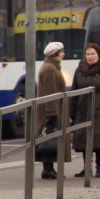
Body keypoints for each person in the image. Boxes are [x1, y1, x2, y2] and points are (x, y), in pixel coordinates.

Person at [69, 42, 100, 177]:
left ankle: (99, 167)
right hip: (83, 109)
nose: (90, 56)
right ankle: (86, 168)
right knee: (84, 139)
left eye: (93, 54)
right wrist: (71, 112)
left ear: (98, 55)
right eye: (88, 54)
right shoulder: (79, 70)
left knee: (99, 140)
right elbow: (74, 91)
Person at [37, 41, 71, 179]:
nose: (63, 54)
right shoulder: (50, 69)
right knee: (50, 139)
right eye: (61, 51)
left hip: (52, 109)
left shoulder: (51, 66)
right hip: (51, 111)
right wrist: (52, 114)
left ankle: (49, 168)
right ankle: (48, 169)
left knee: (49, 138)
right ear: (54, 54)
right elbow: (50, 94)